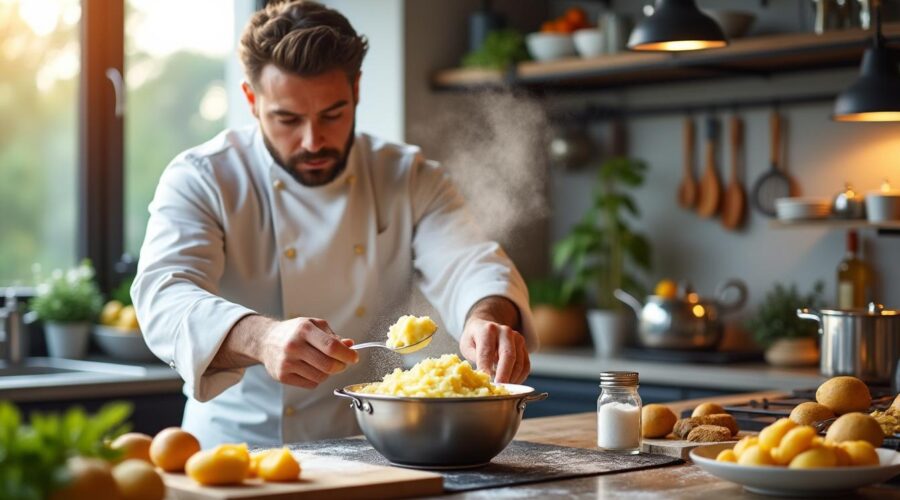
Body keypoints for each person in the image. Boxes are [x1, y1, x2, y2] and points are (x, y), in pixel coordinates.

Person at [132, 0, 535, 448]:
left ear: (357, 90)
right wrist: (262, 337)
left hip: (367, 448)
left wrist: (485, 319)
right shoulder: (204, 177)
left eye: (332, 114)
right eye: (287, 119)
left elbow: (470, 264)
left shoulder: (409, 176)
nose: (312, 140)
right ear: (251, 99)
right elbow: (164, 296)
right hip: (234, 451)